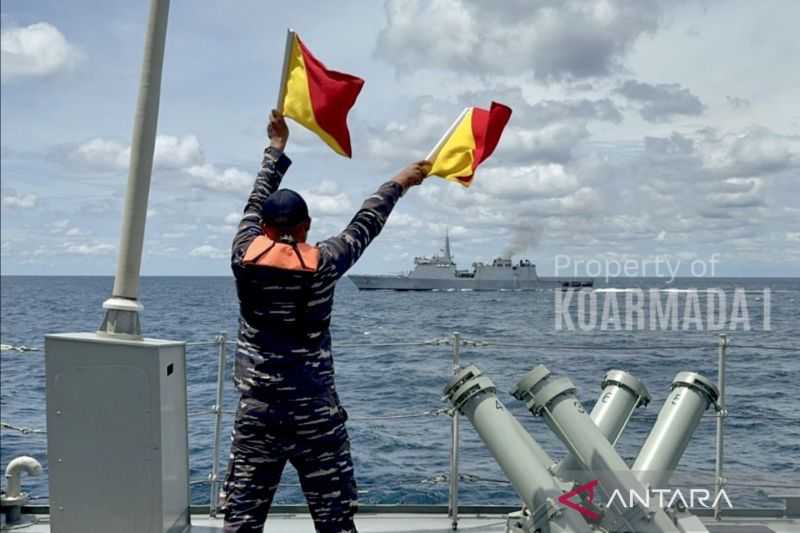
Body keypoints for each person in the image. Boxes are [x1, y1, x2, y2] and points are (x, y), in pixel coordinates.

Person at [222, 109, 432, 533]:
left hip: (258, 413)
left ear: (262, 226)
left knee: (242, 520)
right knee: (334, 520)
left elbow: (255, 196)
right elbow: (366, 222)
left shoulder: (243, 253)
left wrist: (276, 148)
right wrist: (401, 180)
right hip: (316, 413)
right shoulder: (325, 263)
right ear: (307, 227)